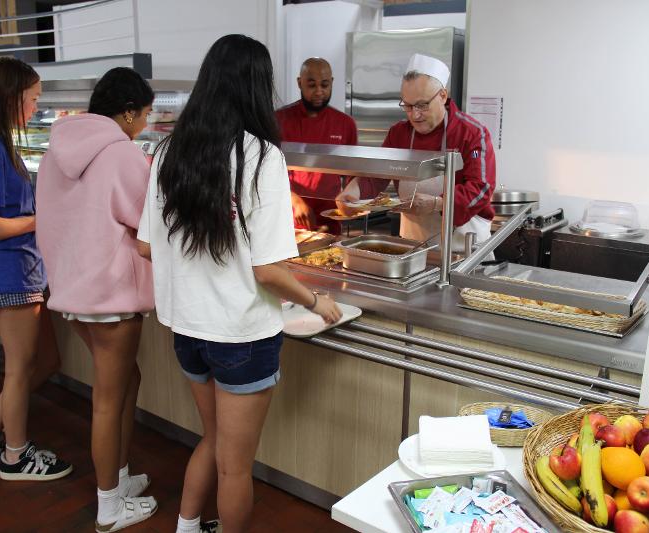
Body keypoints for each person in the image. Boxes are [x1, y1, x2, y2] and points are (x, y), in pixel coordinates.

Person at [137, 34, 342, 533]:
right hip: (241, 335)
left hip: (187, 329)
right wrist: (317, 301)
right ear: (257, 86)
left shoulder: (168, 152)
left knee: (212, 441)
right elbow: (268, 270)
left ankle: (188, 526)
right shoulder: (260, 156)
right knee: (234, 466)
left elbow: (146, 246)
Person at [36, 67, 157, 532]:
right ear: (127, 113)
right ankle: (109, 505)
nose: (144, 124)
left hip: (73, 290)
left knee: (126, 381)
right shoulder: (121, 152)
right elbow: (148, 218)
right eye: (144, 114)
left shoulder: (56, 150)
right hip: (111, 294)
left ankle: (119, 478)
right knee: (108, 397)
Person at [0, 57, 72, 481]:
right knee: (21, 367)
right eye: (32, 99)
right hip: (10, 269)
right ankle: (16, 455)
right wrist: (39, 220)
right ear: (11, 97)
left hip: (14, 268)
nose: (35, 108)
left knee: (38, 361)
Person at [338, 53, 496, 248]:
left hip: (462, 245)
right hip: (412, 244)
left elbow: (481, 189)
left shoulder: (472, 134)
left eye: (422, 105)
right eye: (408, 105)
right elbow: (377, 175)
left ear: (443, 96)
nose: (415, 115)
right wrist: (353, 192)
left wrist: (437, 203)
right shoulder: (399, 134)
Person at [276, 57, 358, 234]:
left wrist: (351, 200)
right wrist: (294, 200)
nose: (319, 91)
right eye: (312, 85)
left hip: (331, 219)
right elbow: (268, 174)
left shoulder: (345, 124)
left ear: (332, 83)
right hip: (289, 218)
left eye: (325, 85)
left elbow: (352, 175)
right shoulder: (278, 120)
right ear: (300, 83)